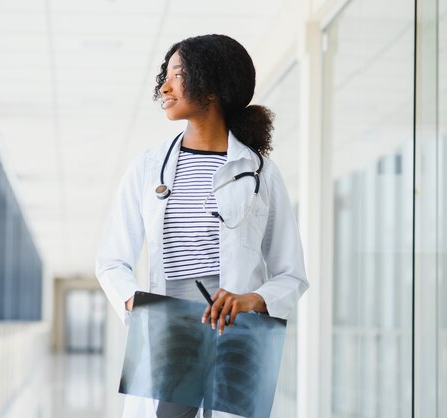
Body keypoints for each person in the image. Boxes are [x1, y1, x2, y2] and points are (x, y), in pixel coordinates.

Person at [95, 34, 309, 418]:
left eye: (178, 75)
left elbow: (292, 275)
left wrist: (253, 300)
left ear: (211, 87)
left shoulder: (260, 173)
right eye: (166, 74)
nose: (164, 86)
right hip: (168, 327)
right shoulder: (147, 167)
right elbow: (111, 261)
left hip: (237, 328)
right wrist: (137, 305)